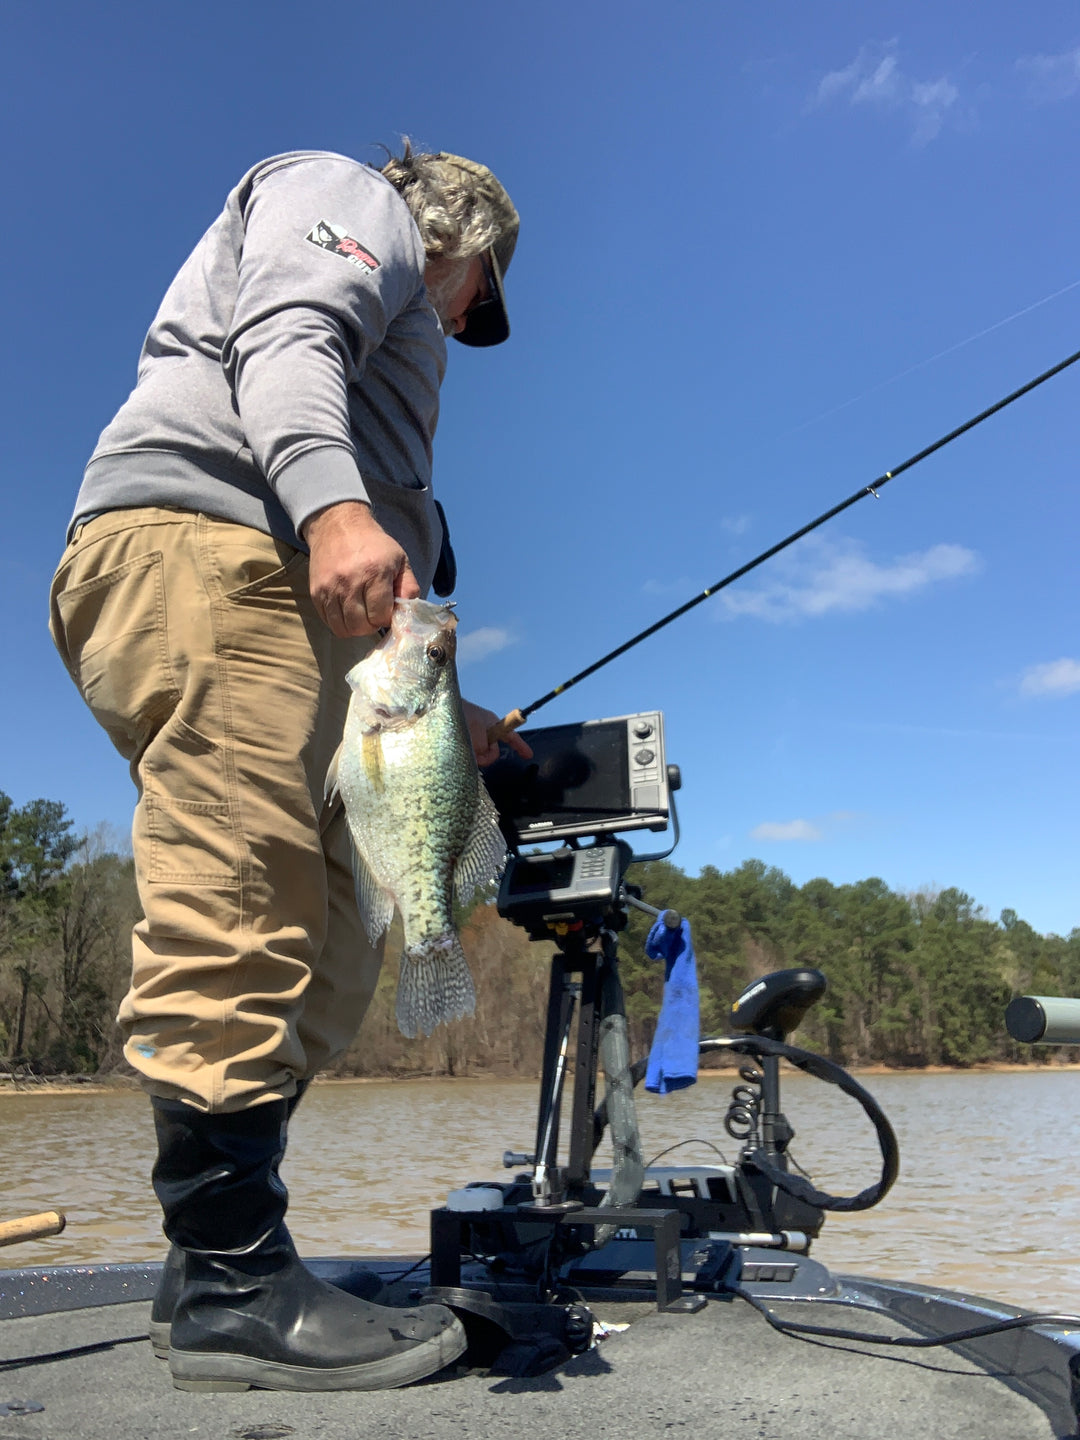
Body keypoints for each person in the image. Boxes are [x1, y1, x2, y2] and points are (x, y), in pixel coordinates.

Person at [48, 144, 529, 1394]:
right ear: (462, 237)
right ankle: (231, 1289)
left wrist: (446, 715)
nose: (470, 315)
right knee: (243, 891)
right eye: (480, 289)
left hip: (301, 611)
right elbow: (292, 331)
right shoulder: (348, 194)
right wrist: (333, 506)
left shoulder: (394, 307)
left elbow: (370, 630)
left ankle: (208, 1255)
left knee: (331, 945)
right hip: (220, 555)